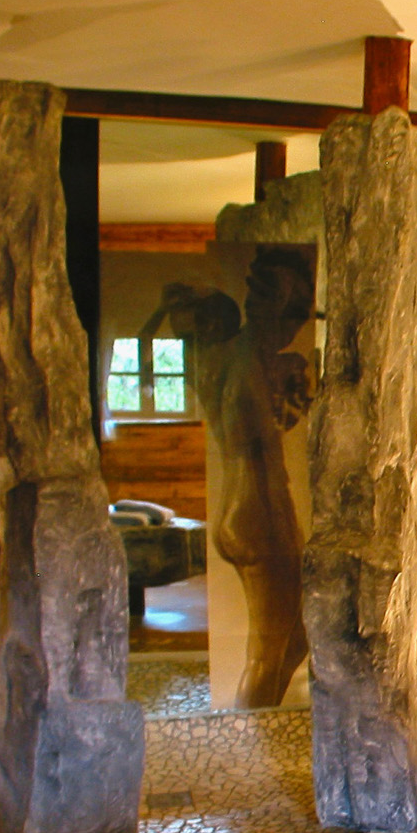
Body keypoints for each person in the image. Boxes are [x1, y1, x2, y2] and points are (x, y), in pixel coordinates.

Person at [143, 246, 316, 707]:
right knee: (265, 655)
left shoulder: (214, 357)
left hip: (239, 511)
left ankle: (266, 718)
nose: (298, 323)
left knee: (296, 639)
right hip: (260, 511)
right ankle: (248, 734)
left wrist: (163, 309)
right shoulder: (249, 355)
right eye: (297, 308)